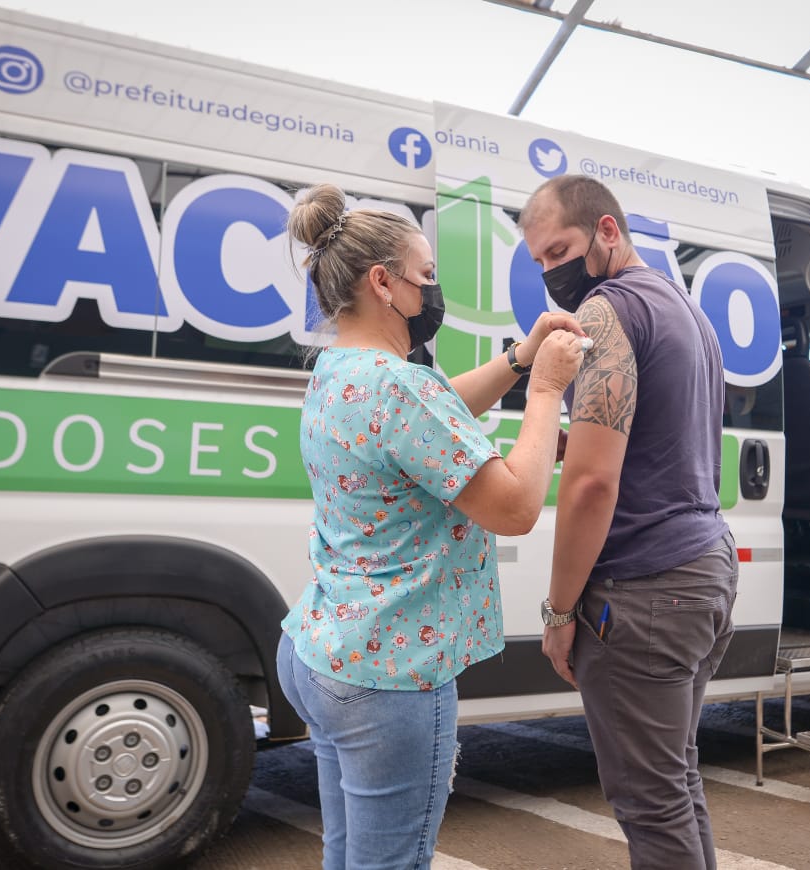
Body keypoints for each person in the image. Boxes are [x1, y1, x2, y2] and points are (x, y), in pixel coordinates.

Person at [277, 183, 586, 870]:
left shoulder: (341, 370)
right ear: (383, 282)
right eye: (427, 276)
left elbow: (433, 411)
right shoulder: (398, 386)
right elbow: (513, 507)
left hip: (322, 650)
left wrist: (518, 357)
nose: (432, 291)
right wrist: (544, 391)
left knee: (348, 855)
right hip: (388, 677)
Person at [519, 175, 739, 870]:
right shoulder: (685, 311)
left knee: (651, 803)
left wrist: (558, 613)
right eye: (537, 261)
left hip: (644, 589)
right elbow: (661, 438)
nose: (551, 270)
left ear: (608, 231)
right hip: (702, 568)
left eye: (559, 248)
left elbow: (589, 485)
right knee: (673, 787)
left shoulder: (607, 311)